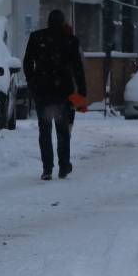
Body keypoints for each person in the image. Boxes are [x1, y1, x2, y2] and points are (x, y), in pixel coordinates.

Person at [23, 10, 87, 180]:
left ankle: (47, 168)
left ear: (48, 21)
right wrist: (81, 92)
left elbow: (27, 62)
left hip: (43, 91)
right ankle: (64, 165)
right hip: (63, 92)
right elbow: (78, 69)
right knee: (63, 131)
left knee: (45, 131)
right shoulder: (70, 41)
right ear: (62, 22)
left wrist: (32, 81)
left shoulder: (37, 38)